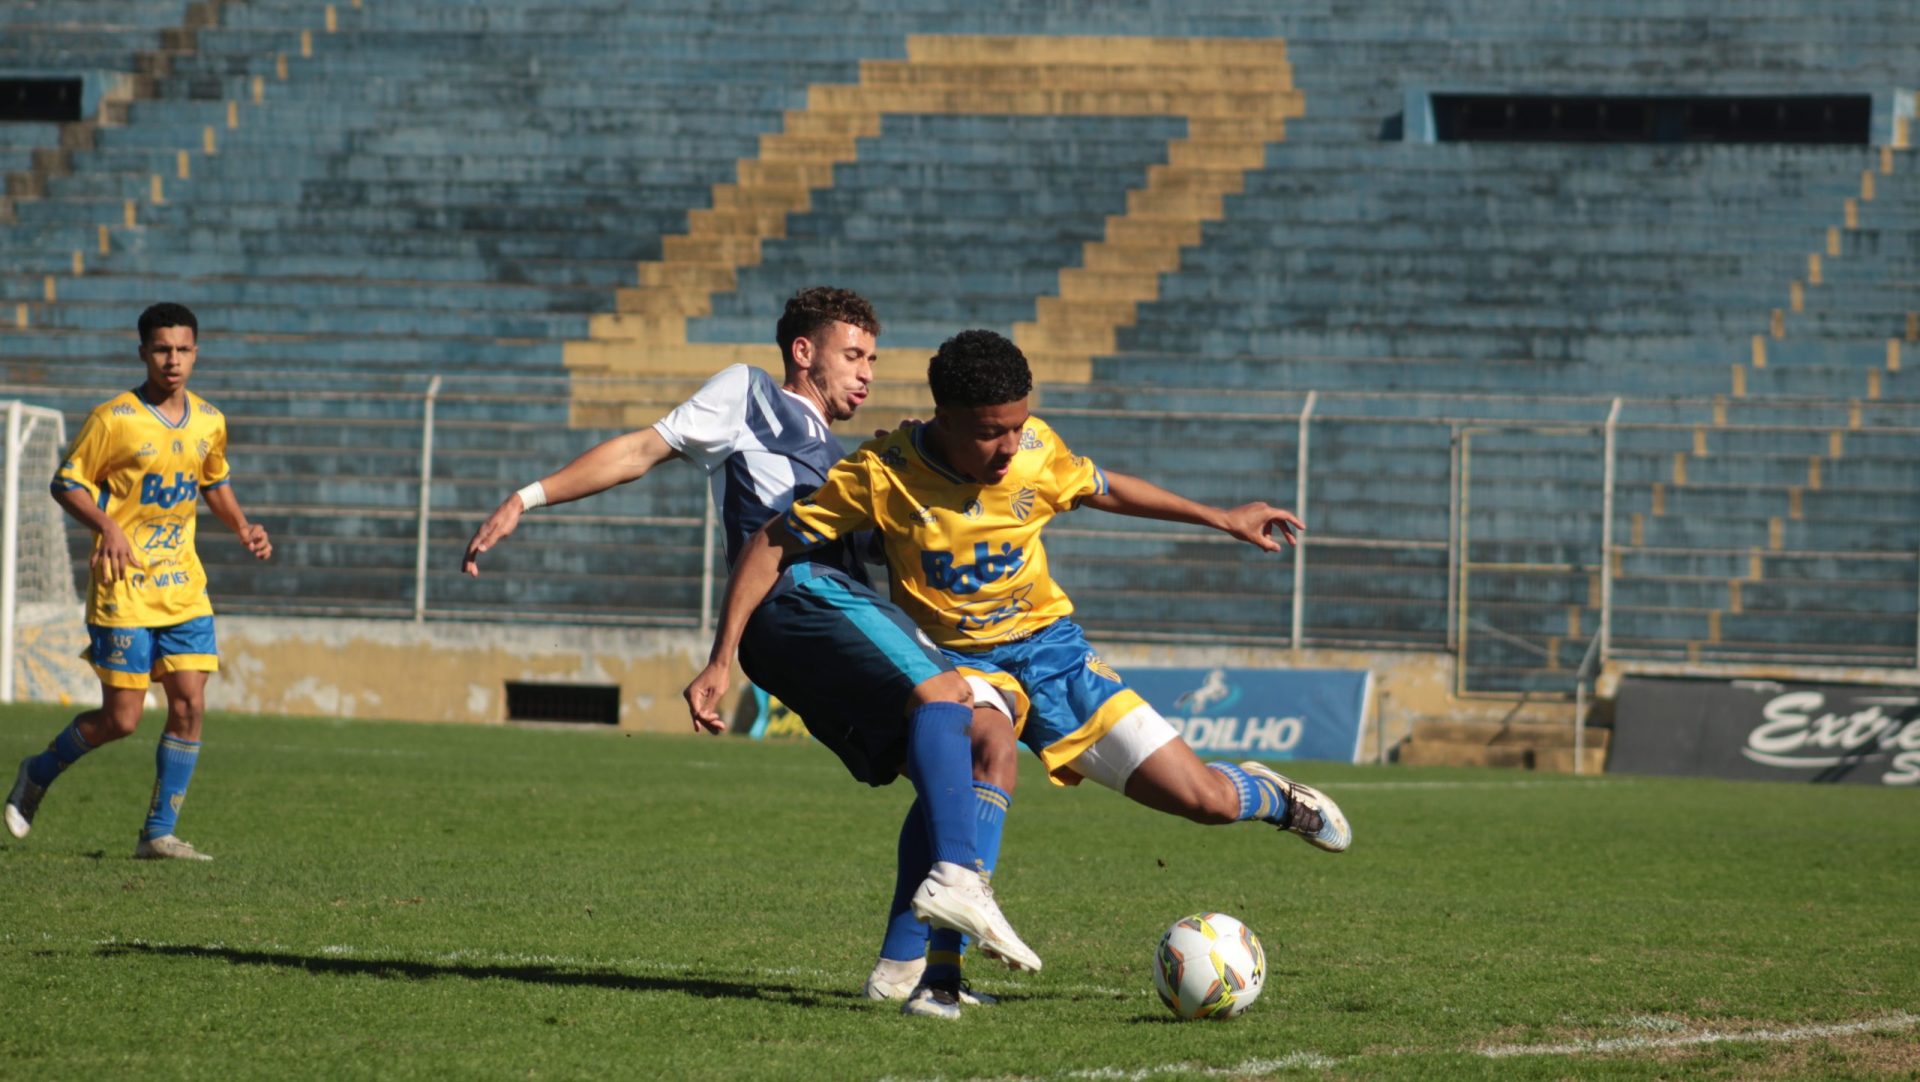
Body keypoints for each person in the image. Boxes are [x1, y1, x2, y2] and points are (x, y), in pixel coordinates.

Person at [686, 329, 1352, 1015]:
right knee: (984, 751)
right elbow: (771, 543)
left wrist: (1219, 516)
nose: (1009, 447)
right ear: (943, 419)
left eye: (1017, 426)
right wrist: (721, 657)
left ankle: (1270, 796)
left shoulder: (1036, 450)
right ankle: (939, 975)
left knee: (1205, 801)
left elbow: (1103, 487)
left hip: (1056, 657)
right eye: (989, 433)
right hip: (962, 662)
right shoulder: (881, 473)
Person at [461, 288, 1041, 1008]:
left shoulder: (847, 459)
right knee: (947, 699)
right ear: (804, 352)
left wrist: (914, 465)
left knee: (985, 739)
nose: (865, 373)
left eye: (872, 360)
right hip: (794, 598)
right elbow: (644, 448)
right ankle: (960, 878)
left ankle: (910, 975)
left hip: (836, 610)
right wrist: (528, 496)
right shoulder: (748, 394)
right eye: (852, 355)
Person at [5, 303, 273, 860]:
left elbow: (213, 482)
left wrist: (244, 526)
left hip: (182, 585)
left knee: (190, 704)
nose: (172, 360)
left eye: (182, 349)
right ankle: (38, 771)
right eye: (161, 349)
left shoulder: (209, 420)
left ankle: (158, 832)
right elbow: (66, 483)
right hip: (123, 583)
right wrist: (107, 525)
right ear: (143, 352)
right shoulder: (114, 419)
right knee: (121, 719)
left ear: (196, 353)